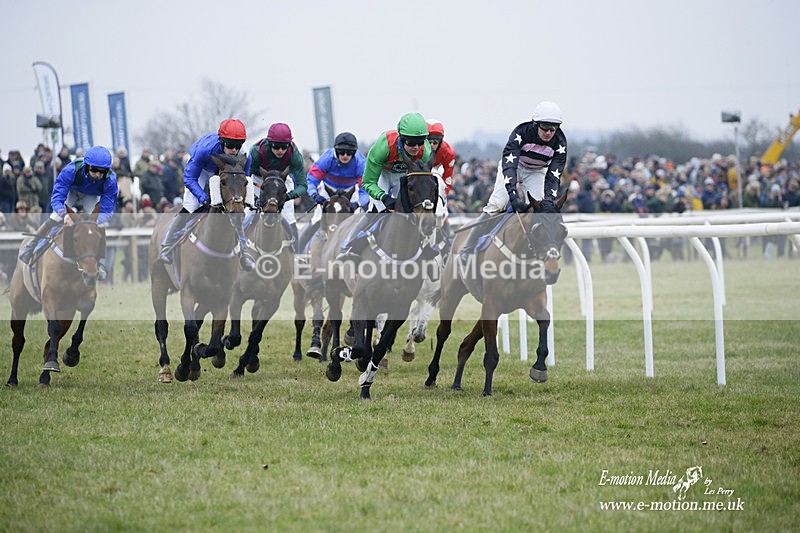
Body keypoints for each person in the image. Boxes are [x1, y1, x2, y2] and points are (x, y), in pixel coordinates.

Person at [459, 101, 567, 259]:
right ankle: (467, 248)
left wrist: (549, 200)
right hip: (514, 166)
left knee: (539, 208)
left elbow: (553, 175)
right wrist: (513, 196)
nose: (549, 132)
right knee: (497, 204)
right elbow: (510, 165)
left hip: (537, 171)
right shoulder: (521, 132)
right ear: (536, 124)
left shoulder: (560, 142)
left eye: (553, 128)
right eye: (545, 127)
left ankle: (537, 252)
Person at [156, 119, 255, 271]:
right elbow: (189, 178)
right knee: (192, 206)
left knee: (239, 210)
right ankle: (167, 245)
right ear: (222, 142)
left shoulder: (245, 155)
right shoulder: (204, 150)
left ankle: (244, 251)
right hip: (203, 170)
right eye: (230, 145)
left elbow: (244, 179)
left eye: (238, 146)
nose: (234, 150)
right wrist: (203, 197)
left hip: (227, 173)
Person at [336, 112, 432, 260]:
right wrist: (384, 197)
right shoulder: (383, 147)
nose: (416, 147)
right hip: (383, 174)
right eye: (411, 143)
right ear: (401, 138)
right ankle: (348, 244)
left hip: (405, 176)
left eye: (420, 142)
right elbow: (368, 182)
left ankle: (427, 245)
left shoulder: (425, 152)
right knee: (376, 210)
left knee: (413, 210)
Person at [18, 145, 119, 278]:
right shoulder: (71, 170)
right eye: (94, 170)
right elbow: (57, 198)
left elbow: (107, 210)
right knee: (55, 218)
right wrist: (64, 214)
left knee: (97, 226)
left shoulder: (110, 180)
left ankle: (97, 264)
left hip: (91, 196)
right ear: (87, 166)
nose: (98, 175)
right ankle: (32, 246)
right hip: (71, 191)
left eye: (102, 172)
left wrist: (92, 221)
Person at [299, 132, 369, 250]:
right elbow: (311, 180)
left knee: (358, 219)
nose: (345, 155)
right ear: (335, 151)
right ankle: (299, 250)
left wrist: (358, 203)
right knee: (316, 219)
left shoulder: (360, 163)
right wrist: (315, 195)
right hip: (328, 190)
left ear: (355, 152)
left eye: (349, 152)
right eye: (341, 152)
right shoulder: (326, 159)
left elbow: (366, 188)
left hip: (350, 192)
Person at [248, 123, 307, 250]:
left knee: (289, 218)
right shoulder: (255, 152)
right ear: (269, 143)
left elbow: (303, 186)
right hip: (259, 181)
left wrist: (287, 196)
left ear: (289, 144)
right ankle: (239, 249)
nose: (280, 151)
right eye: (276, 146)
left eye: (284, 147)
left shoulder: (295, 155)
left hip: (282, 182)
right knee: (249, 214)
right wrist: (253, 197)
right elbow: (246, 177)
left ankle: (295, 256)